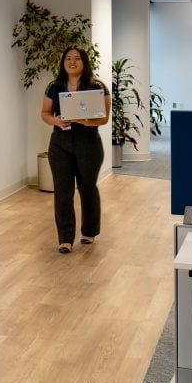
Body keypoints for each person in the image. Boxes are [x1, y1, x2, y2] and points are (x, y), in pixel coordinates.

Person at [40, 46, 111, 254]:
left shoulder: (96, 86)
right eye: (68, 58)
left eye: (77, 58)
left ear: (84, 62)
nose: (72, 62)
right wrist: (56, 120)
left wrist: (84, 120)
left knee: (87, 188)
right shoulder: (55, 86)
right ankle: (65, 238)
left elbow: (104, 118)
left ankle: (89, 232)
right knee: (62, 191)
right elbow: (44, 113)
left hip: (88, 142)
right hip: (60, 142)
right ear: (63, 62)